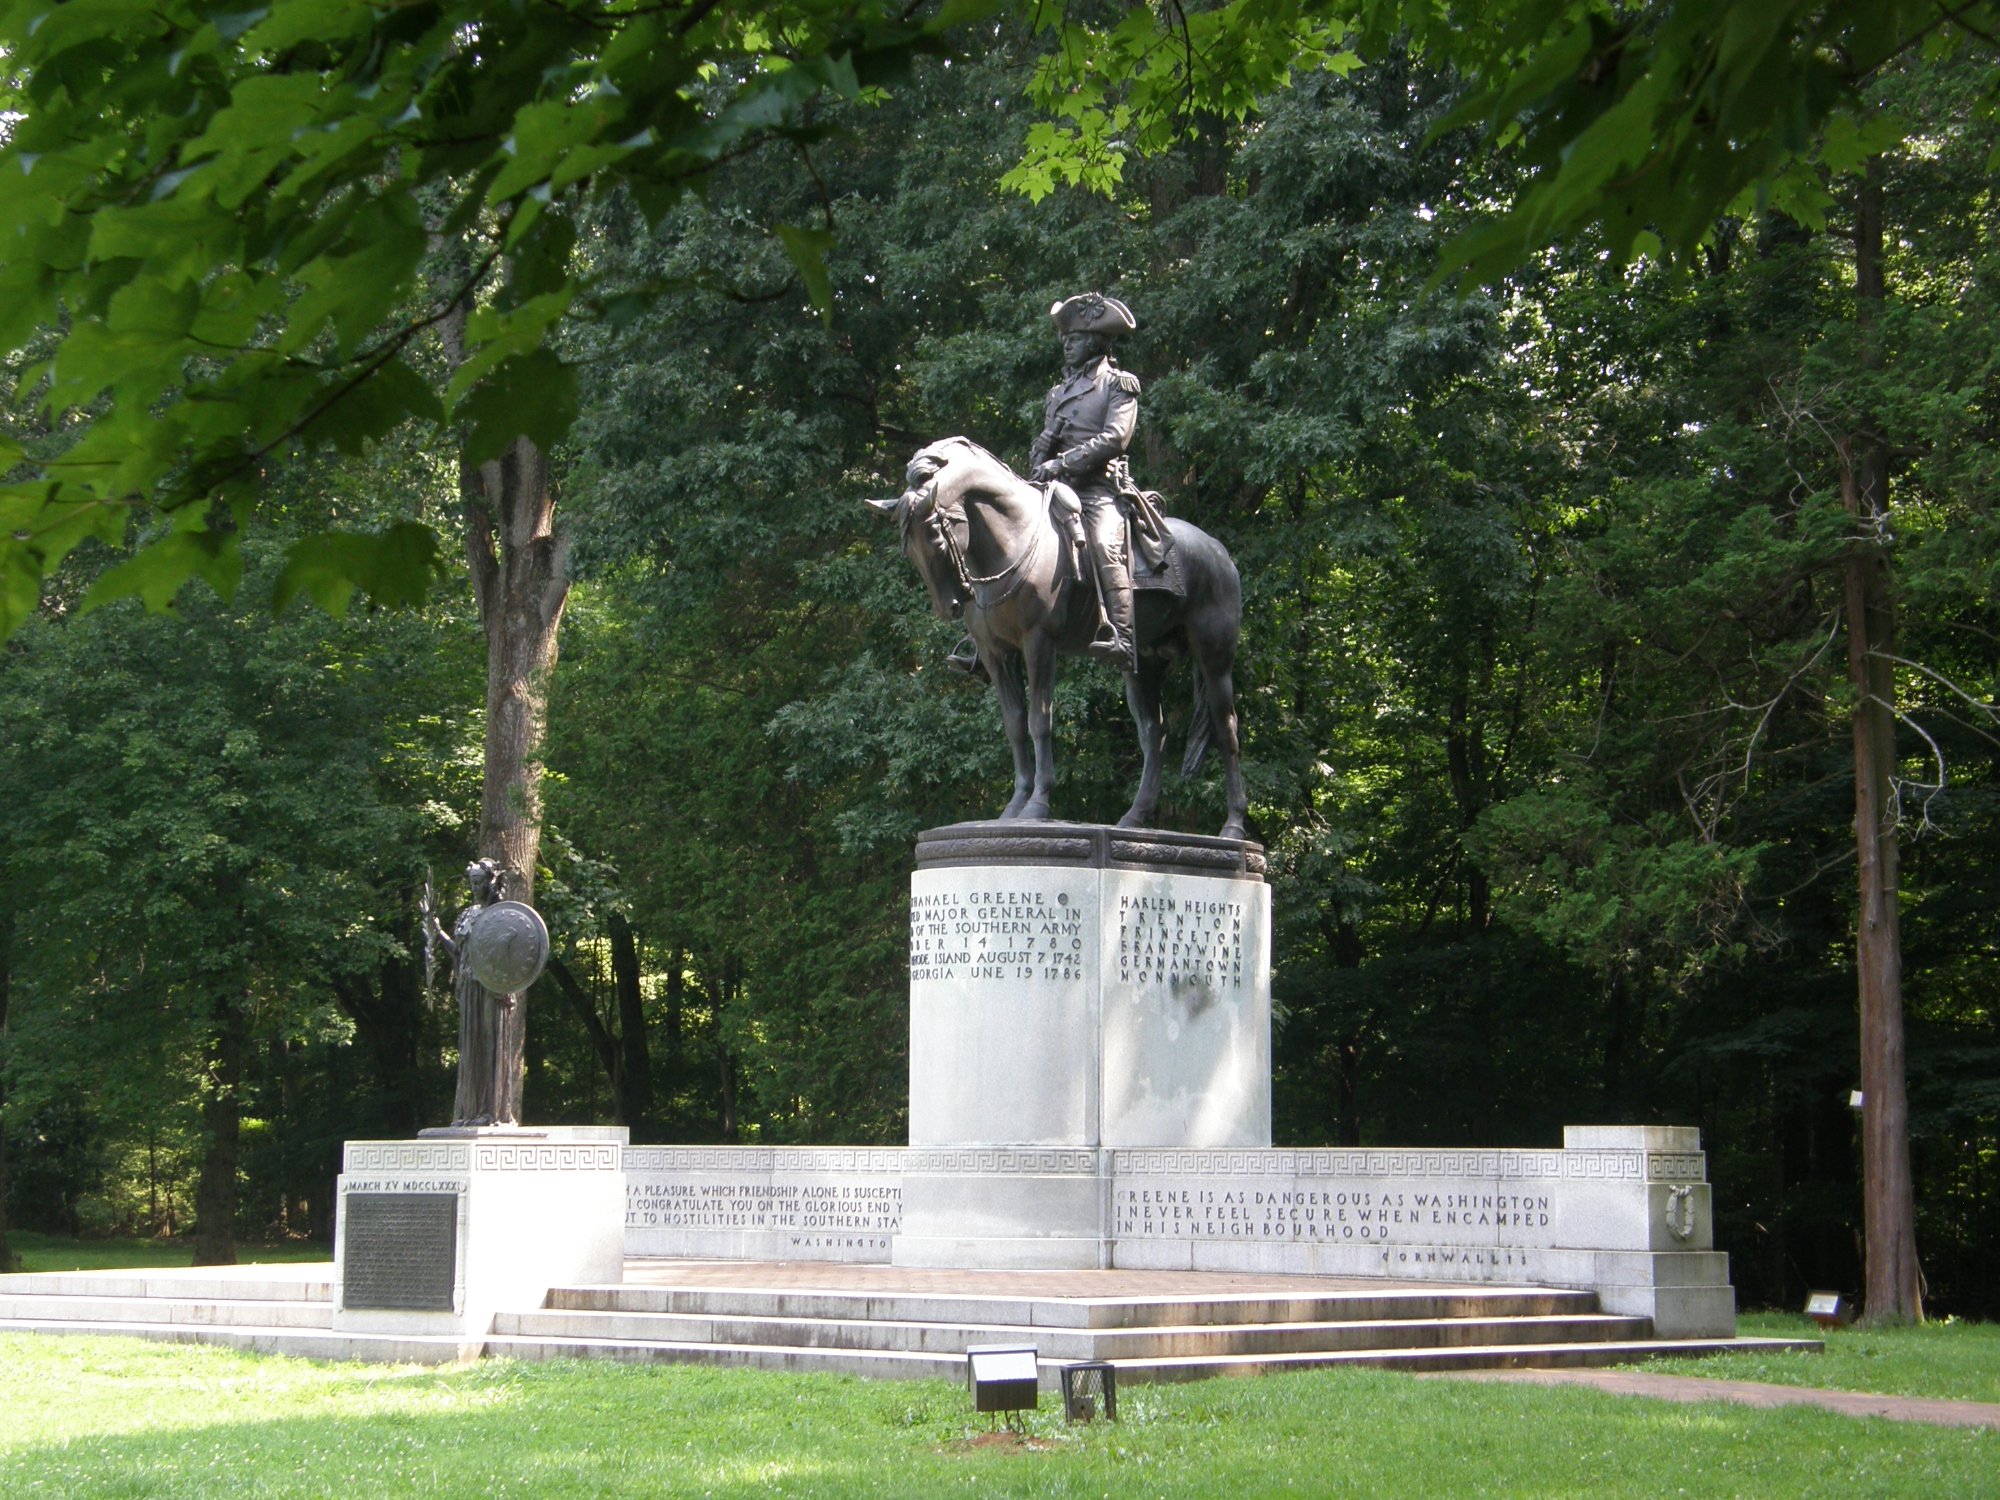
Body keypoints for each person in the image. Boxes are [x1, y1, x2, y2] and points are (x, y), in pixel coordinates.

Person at [1028, 292, 1143, 672]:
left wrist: (1063, 461)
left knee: (1103, 544)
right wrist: (1041, 450)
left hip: (1097, 489)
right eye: (1064, 340)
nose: (1066, 346)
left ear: (1093, 341)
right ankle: (987, 640)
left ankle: (1123, 639)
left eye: (1073, 339)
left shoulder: (1118, 384)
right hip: (1054, 490)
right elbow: (1039, 462)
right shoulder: (1055, 394)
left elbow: (1115, 438)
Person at [424, 858, 523, 1127]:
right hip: (469, 985)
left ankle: (493, 1111)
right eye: (471, 882)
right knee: (472, 1046)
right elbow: (458, 952)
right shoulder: (468, 914)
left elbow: (513, 952)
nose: (474, 886)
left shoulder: (500, 914)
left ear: (490, 881)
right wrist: (438, 930)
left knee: (492, 1046)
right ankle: (470, 1111)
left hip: (491, 988)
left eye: (478, 881)